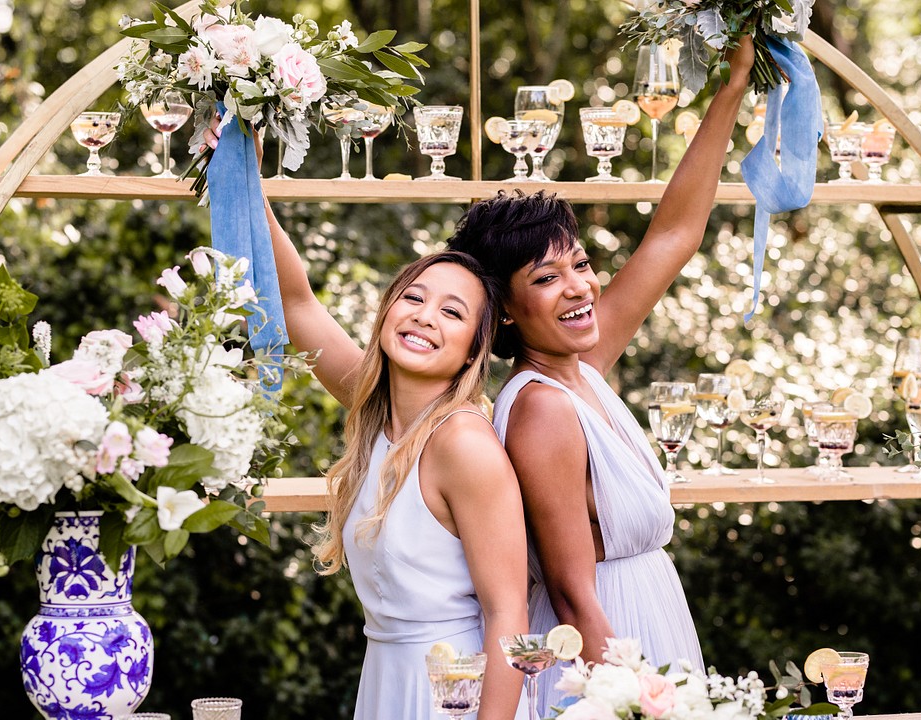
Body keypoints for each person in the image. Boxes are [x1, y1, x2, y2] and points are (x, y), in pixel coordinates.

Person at [447, 38, 756, 716]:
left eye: (581, 265)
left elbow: (673, 236)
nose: (578, 286)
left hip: (650, 618)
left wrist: (731, 87)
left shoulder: (580, 366)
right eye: (546, 278)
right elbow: (569, 589)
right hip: (606, 648)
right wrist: (635, 699)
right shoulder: (542, 410)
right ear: (504, 314)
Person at [261, 201, 529, 718]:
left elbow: (508, 613)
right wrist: (240, 170)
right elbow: (295, 304)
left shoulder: (463, 445)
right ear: (388, 311)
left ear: (475, 350)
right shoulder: (374, 405)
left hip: (456, 691)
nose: (425, 316)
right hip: (385, 680)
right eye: (413, 298)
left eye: (452, 312)